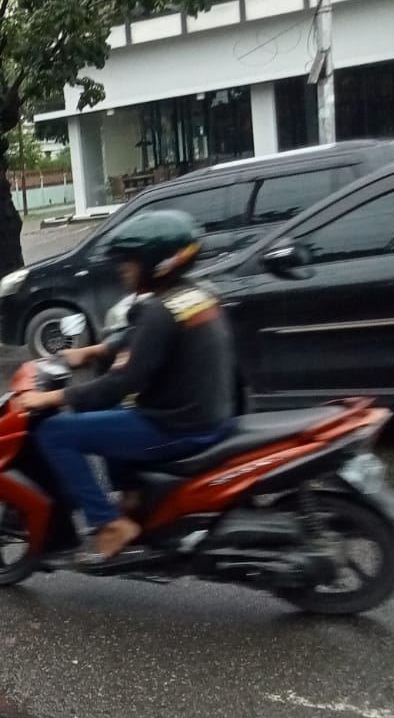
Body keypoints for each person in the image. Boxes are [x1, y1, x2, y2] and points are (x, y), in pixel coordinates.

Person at [18, 210, 236, 562]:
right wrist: (88, 352)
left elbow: (122, 382)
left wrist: (49, 397)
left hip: (178, 425)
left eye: (130, 262)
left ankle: (110, 525)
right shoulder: (194, 295)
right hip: (207, 414)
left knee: (56, 433)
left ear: (157, 263)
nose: (122, 270)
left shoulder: (160, 311)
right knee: (103, 415)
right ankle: (133, 498)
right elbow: (140, 340)